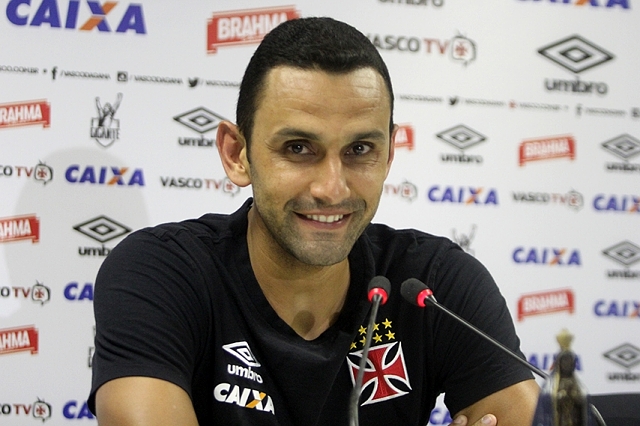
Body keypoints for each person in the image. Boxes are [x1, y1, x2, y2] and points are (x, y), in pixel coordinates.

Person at [88, 17, 539, 426]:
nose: (332, 188)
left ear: (388, 156)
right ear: (236, 153)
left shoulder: (433, 285)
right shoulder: (162, 273)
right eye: (298, 148)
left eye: (359, 150)